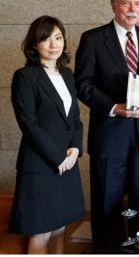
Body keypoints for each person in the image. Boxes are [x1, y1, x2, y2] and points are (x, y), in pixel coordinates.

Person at [74, 0, 139, 242]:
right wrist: (114, 108)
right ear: (114, 5)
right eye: (126, 3)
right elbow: (82, 84)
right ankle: (105, 250)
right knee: (106, 204)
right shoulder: (93, 39)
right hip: (109, 133)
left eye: (137, 4)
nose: (132, 9)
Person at [8, 16, 85, 254]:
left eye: (58, 37)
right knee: (41, 231)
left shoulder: (68, 74)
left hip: (67, 162)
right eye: (46, 38)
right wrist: (58, 158)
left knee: (60, 228)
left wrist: (75, 148)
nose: (54, 44)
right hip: (42, 165)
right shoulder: (26, 77)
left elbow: (74, 118)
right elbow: (28, 124)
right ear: (34, 44)